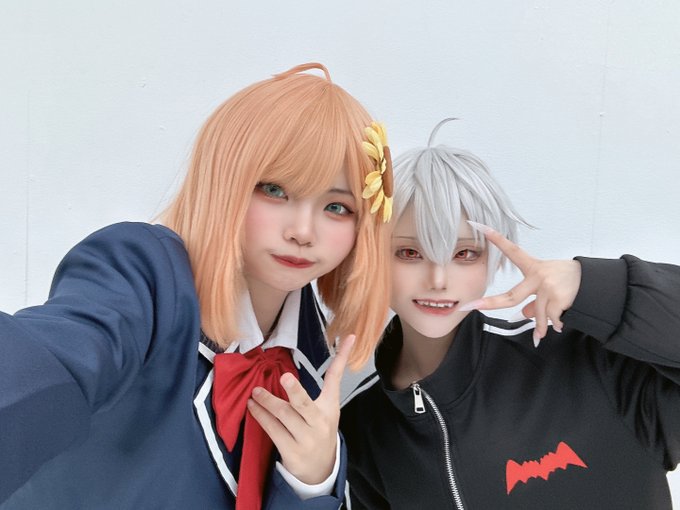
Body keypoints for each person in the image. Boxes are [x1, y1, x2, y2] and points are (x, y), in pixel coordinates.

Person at [0, 63, 393, 509]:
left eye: (337, 207)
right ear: (225, 181)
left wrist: (312, 482)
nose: (303, 231)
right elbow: (54, 361)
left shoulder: (316, 359)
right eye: (274, 190)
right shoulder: (143, 275)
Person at [340, 118, 680, 509]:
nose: (438, 279)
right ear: (373, 257)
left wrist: (595, 286)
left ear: (491, 258)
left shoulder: (590, 359)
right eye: (410, 253)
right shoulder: (361, 426)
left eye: (464, 254)